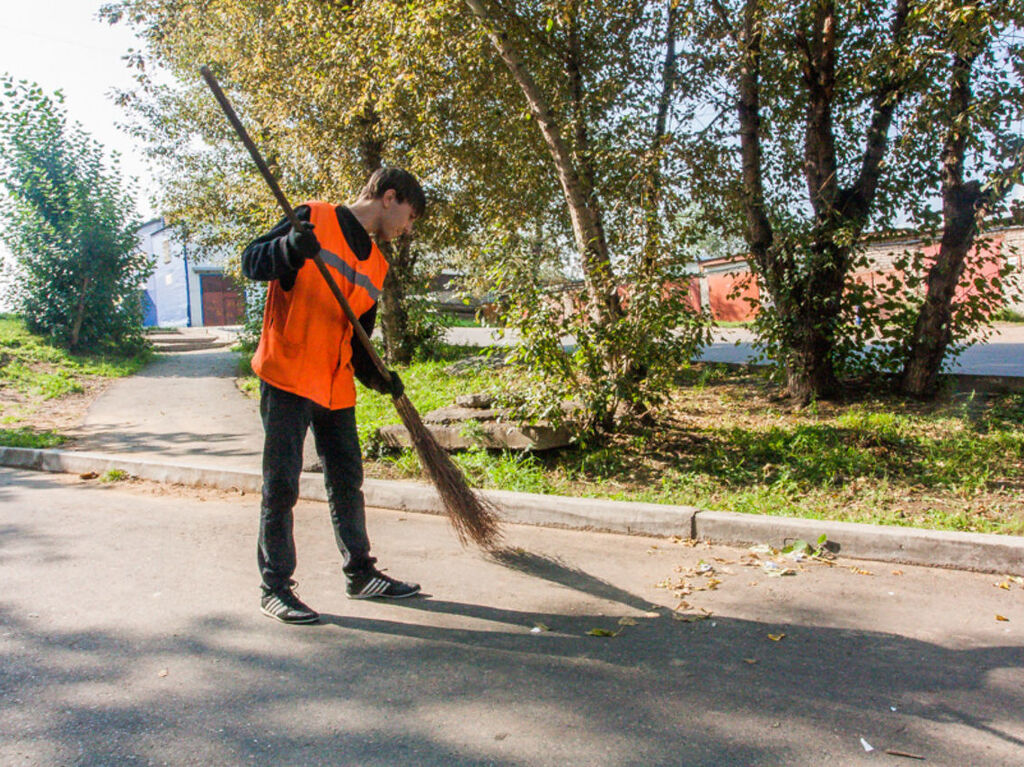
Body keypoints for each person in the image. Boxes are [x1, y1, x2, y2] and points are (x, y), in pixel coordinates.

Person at [241, 167, 426, 624]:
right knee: (281, 484)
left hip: (335, 383)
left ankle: (360, 574)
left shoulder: (376, 266)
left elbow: (358, 338)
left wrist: (381, 379)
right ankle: (276, 588)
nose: (407, 228)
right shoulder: (312, 218)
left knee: (347, 481)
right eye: (409, 216)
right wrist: (288, 248)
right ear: (389, 197)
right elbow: (250, 261)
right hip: (288, 372)